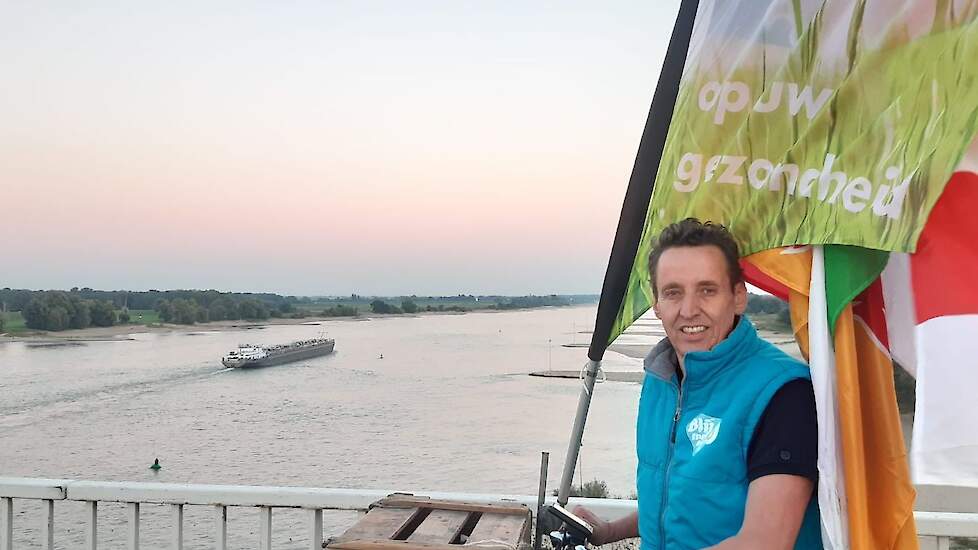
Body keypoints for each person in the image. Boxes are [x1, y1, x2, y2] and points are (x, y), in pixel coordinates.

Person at [574, 218, 822, 549]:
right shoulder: (660, 381)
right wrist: (608, 531)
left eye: (707, 290)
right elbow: (676, 501)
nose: (689, 310)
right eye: (673, 292)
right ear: (657, 304)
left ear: (737, 297)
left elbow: (765, 541)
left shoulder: (784, 394)